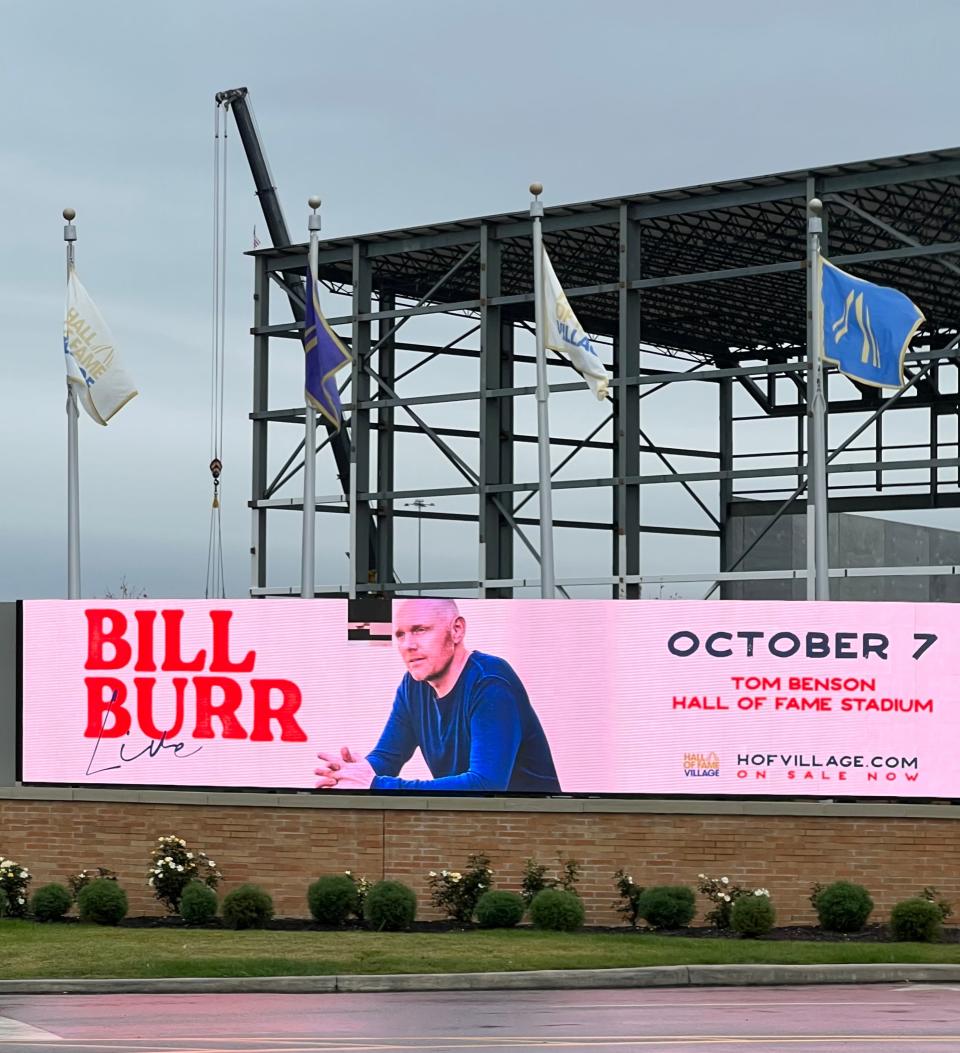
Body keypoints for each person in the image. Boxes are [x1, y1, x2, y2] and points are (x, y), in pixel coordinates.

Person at [315, 598, 561, 792]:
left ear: (456, 630)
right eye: (400, 634)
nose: (408, 645)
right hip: (471, 823)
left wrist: (377, 785)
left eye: (420, 630)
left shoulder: (490, 682)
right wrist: (352, 774)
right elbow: (388, 756)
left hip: (531, 829)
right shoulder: (413, 685)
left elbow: (486, 785)